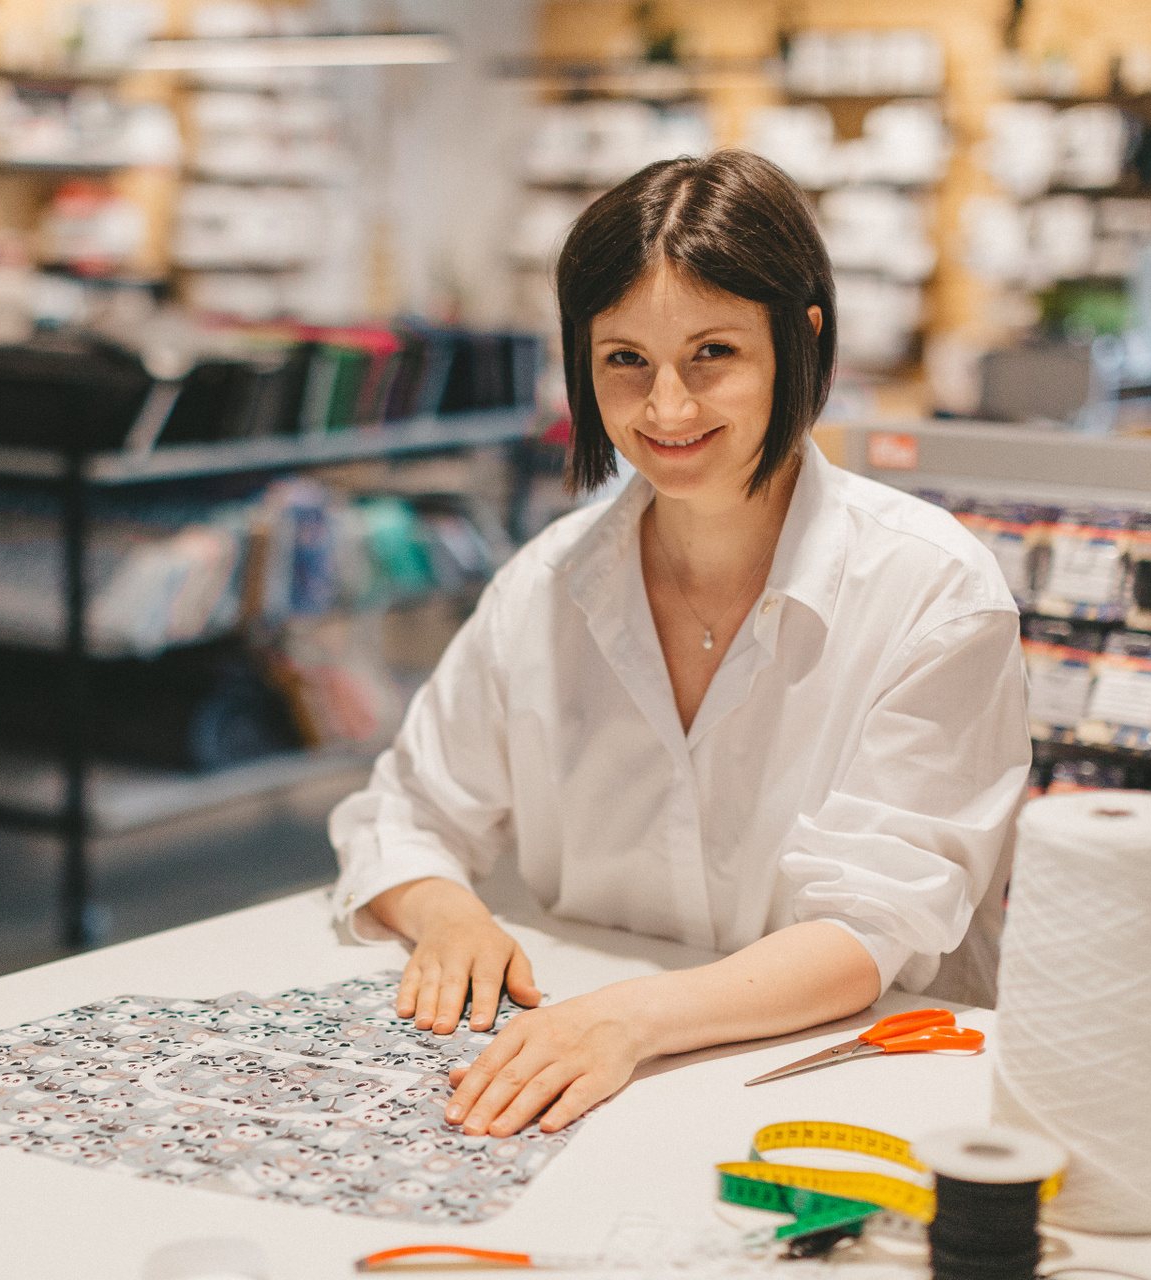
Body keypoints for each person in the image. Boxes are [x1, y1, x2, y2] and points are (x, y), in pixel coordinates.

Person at [328, 151, 1028, 1140]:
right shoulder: (545, 587)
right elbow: (406, 811)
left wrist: (629, 1020)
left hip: (855, 1091)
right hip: (591, 1086)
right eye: (626, 360)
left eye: (713, 353)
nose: (667, 409)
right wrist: (451, 918)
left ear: (801, 340)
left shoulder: (934, 593)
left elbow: (873, 924)